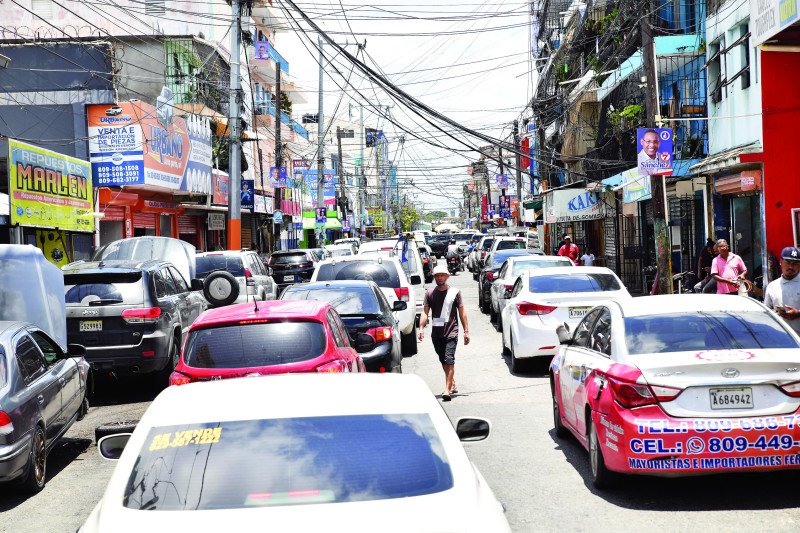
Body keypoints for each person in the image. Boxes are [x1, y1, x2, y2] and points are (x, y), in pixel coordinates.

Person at [418, 263, 470, 401]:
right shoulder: (430, 293)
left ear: (447, 276)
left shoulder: (455, 292)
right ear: (434, 277)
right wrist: (421, 328)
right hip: (436, 334)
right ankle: (451, 382)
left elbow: (462, 313)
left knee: (449, 359)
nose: (440, 278)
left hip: (451, 332)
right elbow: (424, 313)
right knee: (443, 360)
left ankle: (447, 390)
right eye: (437, 276)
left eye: (442, 275)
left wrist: (466, 331)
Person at [764, 246, 800, 335]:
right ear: (780, 262)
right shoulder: (772, 286)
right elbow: (766, 311)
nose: (791, 267)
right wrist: (775, 313)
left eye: (795, 263)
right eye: (787, 262)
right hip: (781, 339)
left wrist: (798, 313)